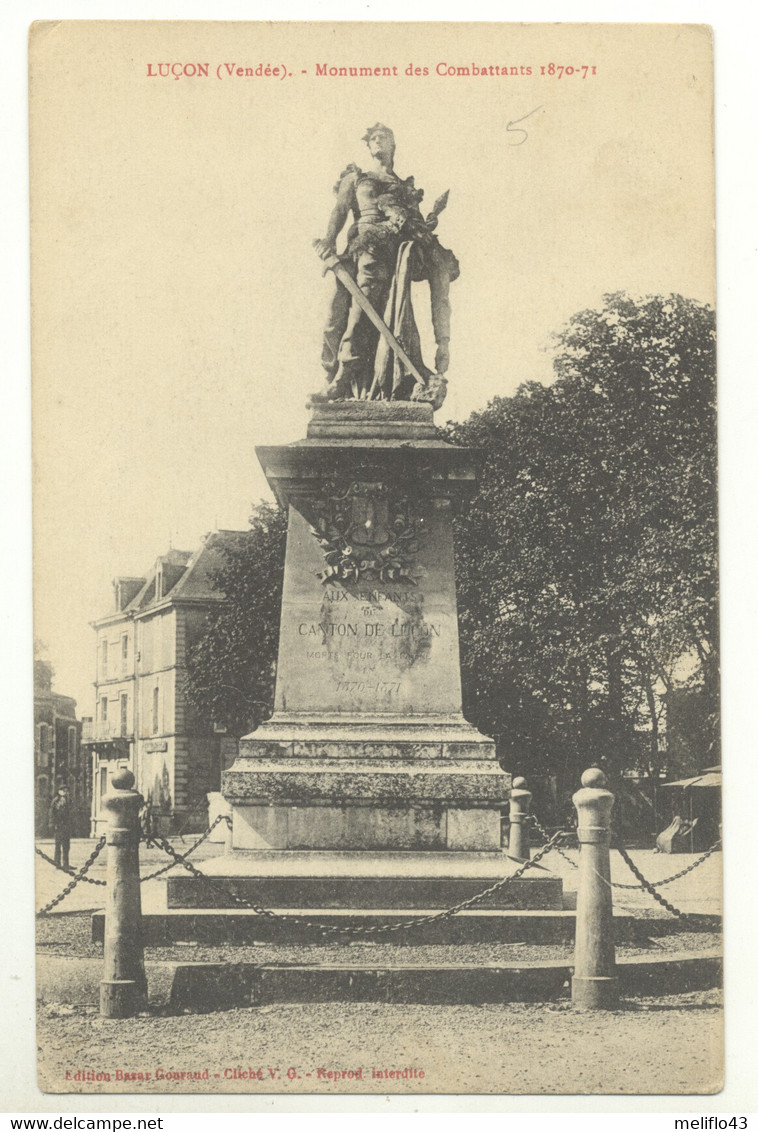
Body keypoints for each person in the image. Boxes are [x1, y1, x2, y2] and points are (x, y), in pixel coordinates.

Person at [313, 124, 459, 402]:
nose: (378, 141)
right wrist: (329, 241)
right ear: (368, 147)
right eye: (373, 138)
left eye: (384, 137)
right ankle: (343, 373)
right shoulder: (357, 177)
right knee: (349, 308)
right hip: (366, 245)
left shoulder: (404, 186)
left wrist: (420, 224)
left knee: (377, 302)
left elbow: (413, 220)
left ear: (393, 145)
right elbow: (340, 210)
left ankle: (348, 377)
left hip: (398, 249)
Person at [48, 785, 72, 871]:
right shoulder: (56, 801)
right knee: (58, 845)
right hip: (58, 825)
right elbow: (52, 813)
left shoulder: (68, 800)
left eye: (66, 790)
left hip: (66, 826)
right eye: (64, 790)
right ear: (59, 791)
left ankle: (66, 864)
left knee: (66, 846)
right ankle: (57, 863)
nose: (65, 792)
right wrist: (52, 824)